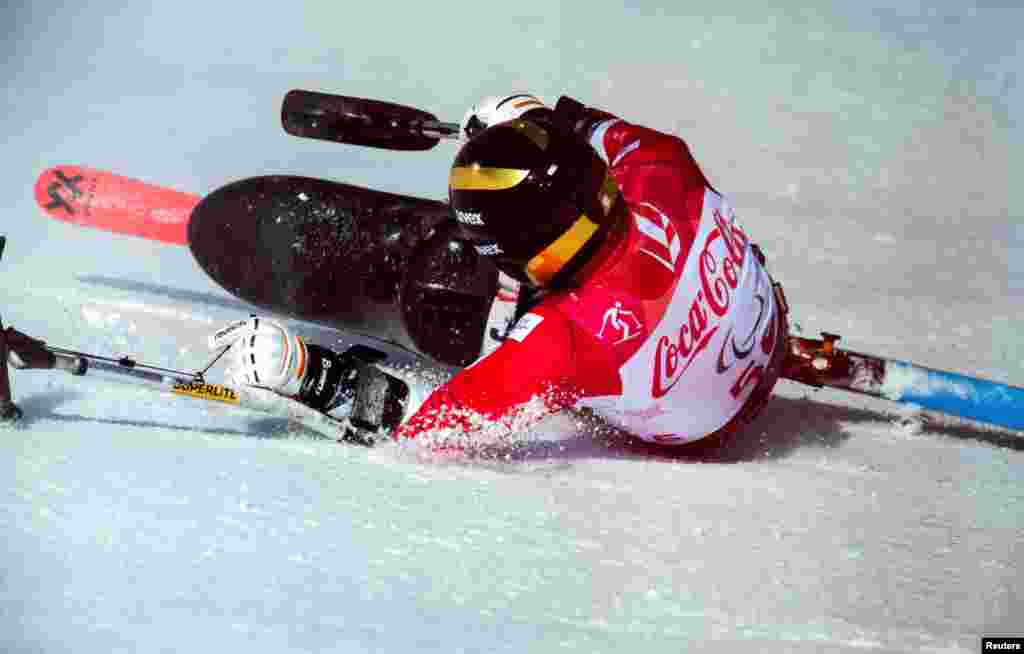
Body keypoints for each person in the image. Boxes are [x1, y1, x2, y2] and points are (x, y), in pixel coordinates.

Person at [216, 94, 789, 449]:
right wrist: (534, 123)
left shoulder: (565, 340)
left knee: (494, 332)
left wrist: (310, 376)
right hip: (765, 320)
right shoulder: (662, 169)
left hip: (700, 432)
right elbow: (596, 130)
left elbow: (433, 428)